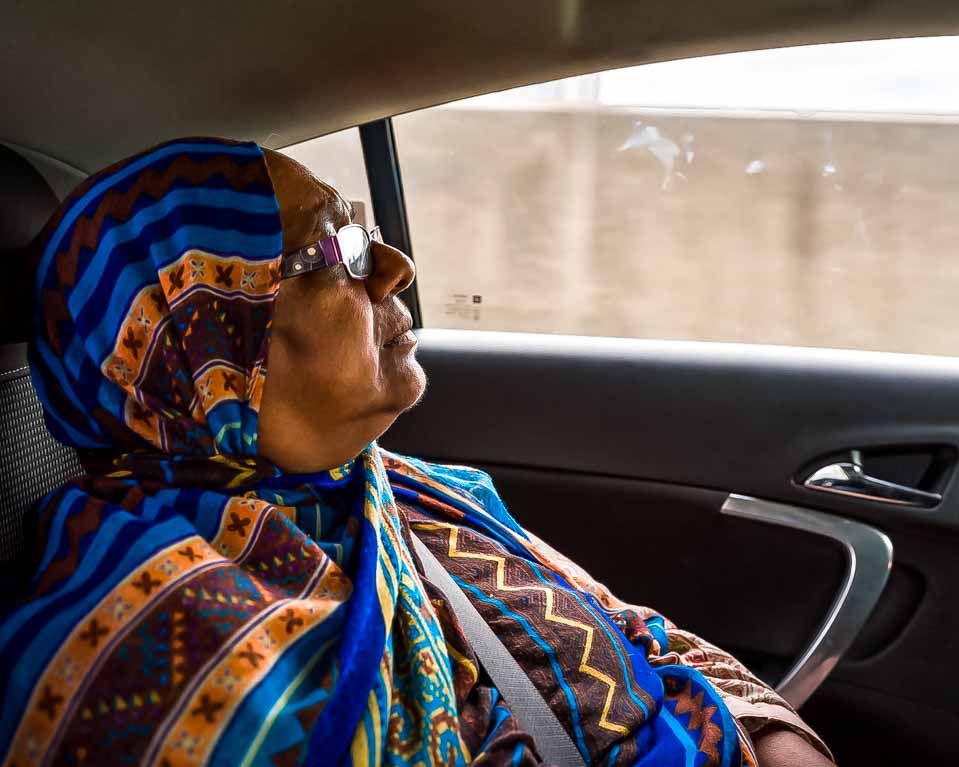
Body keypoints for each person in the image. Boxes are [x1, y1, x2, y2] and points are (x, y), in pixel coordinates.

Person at [0, 138, 835, 767]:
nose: (394, 270)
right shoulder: (156, 660)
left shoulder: (401, 490)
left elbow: (629, 628)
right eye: (337, 254)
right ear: (208, 341)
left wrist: (769, 732)